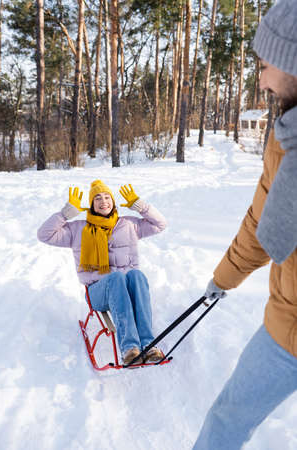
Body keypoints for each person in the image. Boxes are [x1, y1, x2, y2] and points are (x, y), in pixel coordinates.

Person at [193, 1, 297, 448]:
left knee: (226, 420)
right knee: (228, 417)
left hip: (287, 327)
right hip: (287, 325)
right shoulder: (284, 138)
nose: (261, 79)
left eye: (266, 64)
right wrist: (223, 279)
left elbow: (261, 224)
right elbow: (262, 226)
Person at [37, 179, 166, 366]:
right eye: (97, 198)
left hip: (127, 289)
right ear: (91, 204)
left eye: (107, 197)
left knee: (136, 275)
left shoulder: (129, 225)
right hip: (98, 293)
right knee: (115, 278)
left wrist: (141, 207)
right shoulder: (78, 229)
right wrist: (64, 214)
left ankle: (149, 344)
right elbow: (44, 235)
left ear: (113, 202)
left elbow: (160, 224)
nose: (103, 201)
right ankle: (130, 348)